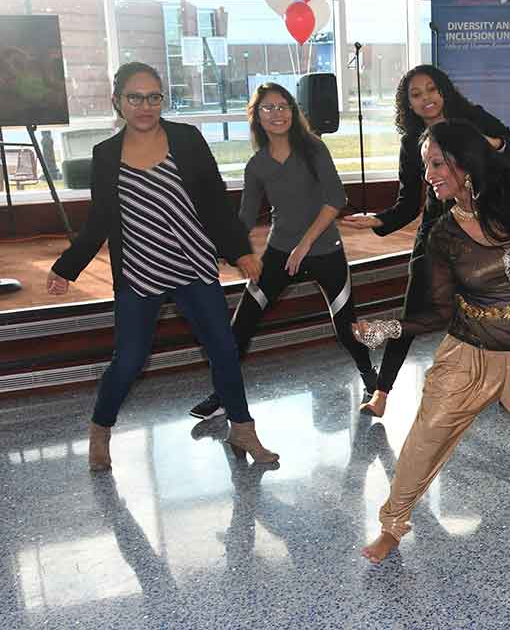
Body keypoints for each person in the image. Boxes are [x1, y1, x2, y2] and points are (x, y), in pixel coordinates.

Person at [353, 120, 510, 564]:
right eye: (426, 166)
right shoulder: (442, 234)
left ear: (466, 161)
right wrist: (387, 328)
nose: (429, 175)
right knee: (427, 435)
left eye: (437, 163)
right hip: (471, 351)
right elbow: (440, 312)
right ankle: (392, 522)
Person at [47, 62, 277, 470]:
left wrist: (239, 250)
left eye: (154, 97)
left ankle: (241, 426)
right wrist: (67, 267)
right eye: (135, 97)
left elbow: (214, 201)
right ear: (117, 102)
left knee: (223, 349)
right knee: (130, 360)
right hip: (140, 271)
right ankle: (100, 429)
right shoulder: (105, 156)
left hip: (193, 263)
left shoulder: (187, 139)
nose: (145, 106)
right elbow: (100, 218)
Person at [340, 65, 510, 417]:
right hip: (436, 232)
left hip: (481, 224)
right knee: (413, 310)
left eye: (431, 89)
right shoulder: (410, 144)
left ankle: (507, 387)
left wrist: (484, 142)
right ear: (408, 104)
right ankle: (381, 394)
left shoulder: (471, 118)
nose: (426, 98)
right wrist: (377, 220)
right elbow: (405, 204)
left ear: (443, 91)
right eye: (416, 94)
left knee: (495, 309)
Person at [188, 83, 376, 420]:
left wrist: (304, 245)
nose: (277, 113)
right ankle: (222, 395)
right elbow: (245, 218)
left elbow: (336, 199)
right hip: (279, 255)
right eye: (269, 108)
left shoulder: (314, 149)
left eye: (283, 106)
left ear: (293, 111)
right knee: (240, 325)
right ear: (257, 117)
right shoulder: (256, 165)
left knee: (345, 327)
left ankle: (370, 377)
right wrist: (219, 249)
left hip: (325, 251)